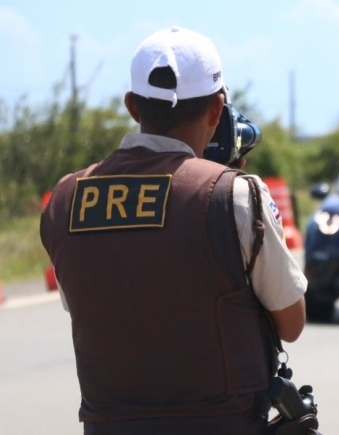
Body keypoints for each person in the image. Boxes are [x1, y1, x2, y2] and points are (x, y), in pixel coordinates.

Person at [40, 26, 307, 435]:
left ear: (132, 106)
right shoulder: (232, 194)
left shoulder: (66, 198)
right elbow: (291, 322)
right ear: (218, 110)